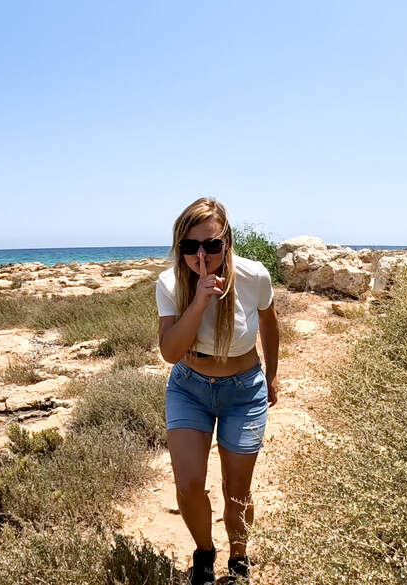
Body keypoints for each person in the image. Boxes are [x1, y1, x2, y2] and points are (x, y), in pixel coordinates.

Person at [156, 197, 279, 585]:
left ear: (227, 241)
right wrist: (199, 300)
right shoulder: (171, 283)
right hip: (189, 388)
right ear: (180, 247)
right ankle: (205, 553)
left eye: (211, 244)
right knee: (189, 484)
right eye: (190, 246)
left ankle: (238, 558)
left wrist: (273, 376)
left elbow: (269, 325)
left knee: (236, 490)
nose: (201, 255)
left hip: (243, 391)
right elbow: (170, 352)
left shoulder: (254, 276)